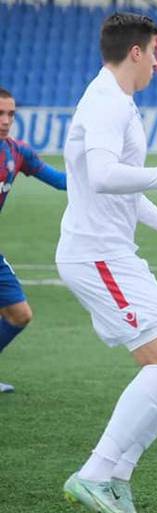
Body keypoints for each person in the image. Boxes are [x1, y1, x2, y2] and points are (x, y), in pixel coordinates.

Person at [56, 13, 157, 513]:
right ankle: (94, 473)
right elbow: (103, 175)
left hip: (114, 252)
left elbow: (114, 189)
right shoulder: (106, 102)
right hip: (96, 254)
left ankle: (117, 476)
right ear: (136, 52)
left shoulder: (119, 102)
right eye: (156, 54)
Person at [0, 86, 68, 393]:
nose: (5, 120)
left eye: (10, 114)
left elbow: (61, 181)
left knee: (19, 314)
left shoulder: (17, 152)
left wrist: (112, 176)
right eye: (0, 114)